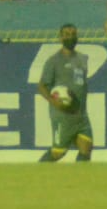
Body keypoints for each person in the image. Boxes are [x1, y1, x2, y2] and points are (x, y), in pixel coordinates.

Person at [37, 24, 94, 162]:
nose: (71, 37)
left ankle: (80, 181)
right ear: (61, 37)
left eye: (73, 34)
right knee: (58, 153)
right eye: (67, 34)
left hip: (81, 115)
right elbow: (42, 86)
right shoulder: (54, 61)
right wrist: (54, 102)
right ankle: (36, 173)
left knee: (86, 148)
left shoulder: (83, 58)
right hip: (63, 116)